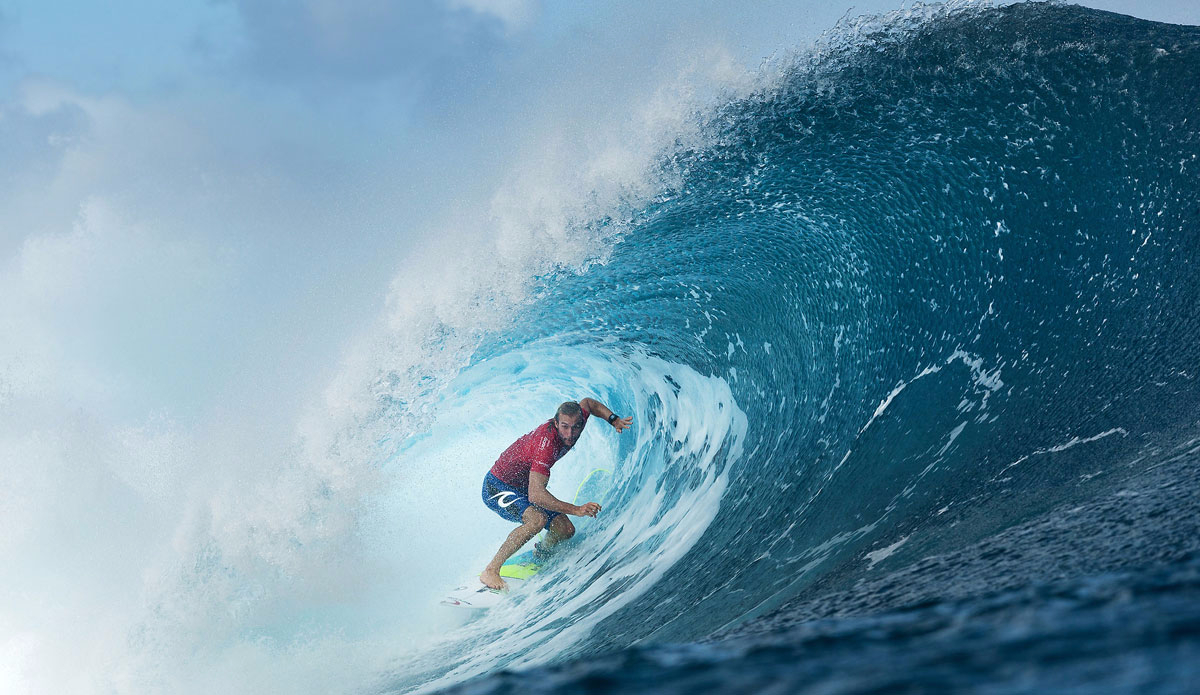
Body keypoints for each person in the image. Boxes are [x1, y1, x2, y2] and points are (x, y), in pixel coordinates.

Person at [480, 398, 632, 590]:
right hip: (497, 486)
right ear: (555, 423)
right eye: (565, 427)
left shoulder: (577, 419)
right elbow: (536, 495)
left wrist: (613, 419)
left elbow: (588, 404)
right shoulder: (547, 444)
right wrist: (576, 509)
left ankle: (541, 554)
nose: (570, 434)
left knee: (565, 530)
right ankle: (491, 570)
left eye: (576, 427)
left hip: (523, 487)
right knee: (537, 520)